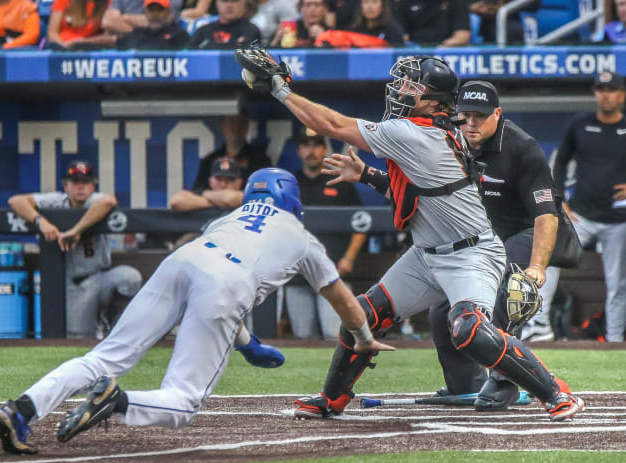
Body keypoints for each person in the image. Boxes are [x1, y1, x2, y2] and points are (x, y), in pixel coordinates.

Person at [238, 48, 584, 421]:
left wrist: (280, 90)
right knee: (363, 315)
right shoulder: (431, 130)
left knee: (469, 328)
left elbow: (333, 126)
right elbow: (415, 192)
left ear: (433, 100)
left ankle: (554, 391)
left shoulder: (415, 133)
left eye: (410, 85)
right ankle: (332, 397)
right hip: (427, 253)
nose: (399, 90)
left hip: (472, 253)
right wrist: (368, 175)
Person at [0, 168, 394, 455]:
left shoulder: (227, 217)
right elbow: (342, 300)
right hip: (225, 283)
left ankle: (21, 409)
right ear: (291, 199)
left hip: (181, 261)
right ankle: (118, 401)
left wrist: (247, 342)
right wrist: (363, 338)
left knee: (104, 357)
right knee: (183, 401)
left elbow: (209, 284)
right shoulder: (303, 238)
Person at [428, 80, 561, 410]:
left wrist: (537, 267)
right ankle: (466, 385)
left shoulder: (522, 148)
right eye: (465, 115)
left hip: (523, 233)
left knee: (510, 294)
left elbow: (547, 215)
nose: (470, 123)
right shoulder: (450, 140)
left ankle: (506, 382)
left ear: (497, 114)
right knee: (443, 308)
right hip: (481, 238)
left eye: (480, 116)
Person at [8, 160, 142, 339]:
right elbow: (16, 201)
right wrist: (41, 222)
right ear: (65, 185)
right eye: (75, 182)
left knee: (130, 277)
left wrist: (76, 231)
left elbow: (109, 201)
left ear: (93, 186)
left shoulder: (95, 201)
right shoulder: (57, 201)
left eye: (85, 182)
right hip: (76, 285)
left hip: (103, 278)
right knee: (78, 340)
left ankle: (112, 320)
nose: (81, 187)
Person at [552, 71, 626, 342]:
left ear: (622, 94)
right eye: (600, 89)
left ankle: (615, 340)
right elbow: (560, 162)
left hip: (619, 219)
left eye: (611, 89)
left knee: (618, 284)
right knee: (547, 257)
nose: (605, 94)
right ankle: (539, 328)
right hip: (581, 215)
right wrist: (559, 200)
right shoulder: (579, 125)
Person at [285, 128, 367, 339]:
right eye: (306, 146)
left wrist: (349, 258)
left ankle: (338, 373)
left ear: (324, 149)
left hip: (334, 273)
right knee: (303, 337)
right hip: (298, 273)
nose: (311, 151)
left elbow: (361, 223)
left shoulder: (339, 180)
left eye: (316, 146)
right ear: (299, 150)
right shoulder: (289, 184)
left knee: (336, 335)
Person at [193, 111, 272, 190]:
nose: (236, 128)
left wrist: (238, 197)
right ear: (223, 125)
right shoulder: (210, 161)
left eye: (240, 123)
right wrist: (215, 197)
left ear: (246, 126)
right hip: (215, 202)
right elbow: (197, 192)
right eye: (232, 122)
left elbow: (268, 189)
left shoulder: (260, 160)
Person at [170, 156, 244, 212]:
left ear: (239, 182)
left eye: (229, 179)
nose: (223, 184)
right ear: (210, 181)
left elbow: (229, 199)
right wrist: (217, 202)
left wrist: (206, 195)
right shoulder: (204, 194)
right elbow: (175, 201)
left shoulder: (246, 195)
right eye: (218, 179)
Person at [115, 0, 190, 50]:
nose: (155, 14)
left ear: (168, 11)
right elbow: (117, 46)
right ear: (145, 11)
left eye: (159, 9)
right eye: (151, 9)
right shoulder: (136, 34)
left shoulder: (179, 34)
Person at [188, 0, 260, 49]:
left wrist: (208, 45)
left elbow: (242, 51)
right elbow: (189, 52)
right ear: (216, 3)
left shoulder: (251, 30)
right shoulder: (204, 30)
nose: (229, 5)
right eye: (224, 0)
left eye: (234, 0)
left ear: (243, 3)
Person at [46, 0, 116, 50]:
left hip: (90, 47)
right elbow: (52, 33)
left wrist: (82, 42)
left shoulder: (107, 2)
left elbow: (108, 35)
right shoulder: (62, 1)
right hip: (62, 47)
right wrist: (65, 47)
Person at [396, 0, 470, 47]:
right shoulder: (404, 3)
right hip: (415, 50)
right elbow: (403, 38)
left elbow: (462, 36)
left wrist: (439, 51)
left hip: (446, 50)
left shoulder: (457, 2)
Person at [470, 0, 541, 43]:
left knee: (511, 29)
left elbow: (533, 5)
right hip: (472, 14)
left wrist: (503, 5)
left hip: (511, 15)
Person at [102, 0, 183, 37]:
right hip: (126, 44)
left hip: (164, 41)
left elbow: (164, 20)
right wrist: (137, 35)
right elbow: (108, 22)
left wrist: (126, 19)